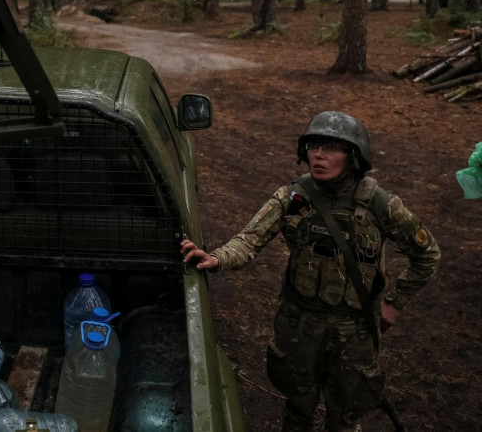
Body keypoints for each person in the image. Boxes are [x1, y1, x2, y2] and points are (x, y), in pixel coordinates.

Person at [180, 111, 440, 432]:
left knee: (344, 416)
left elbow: (427, 253)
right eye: (314, 146)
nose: (319, 155)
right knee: (297, 408)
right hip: (299, 322)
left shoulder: (379, 203)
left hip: (354, 329)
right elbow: (249, 239)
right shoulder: (293, 197)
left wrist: (396, 302)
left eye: (332, 147)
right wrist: (216, 258)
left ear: (354, 155)